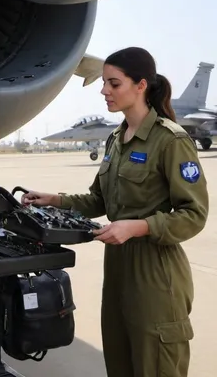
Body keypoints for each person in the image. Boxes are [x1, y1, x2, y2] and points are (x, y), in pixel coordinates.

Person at [21, 47, 208, 377]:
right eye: (104, 83)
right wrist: (54, 200)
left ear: (140, 86)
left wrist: (138, 227)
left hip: (156, 276)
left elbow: (194, 214)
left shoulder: (170, 140)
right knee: (120, 366)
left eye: (113, 83)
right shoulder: (116, 140)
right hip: (118, 272)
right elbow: (98, 201)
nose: (104, 90)